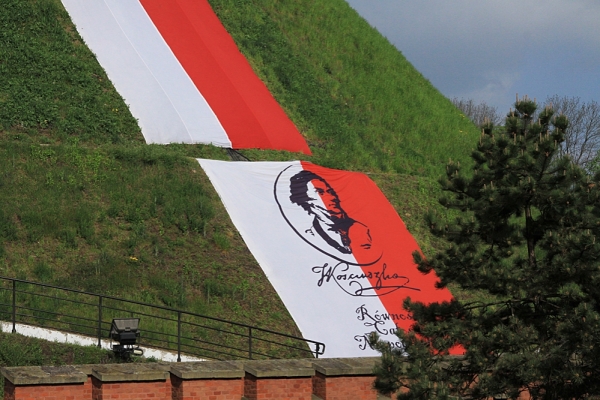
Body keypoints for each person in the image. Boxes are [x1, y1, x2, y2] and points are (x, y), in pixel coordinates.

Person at [289, 170, 372, 255]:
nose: (332, 197)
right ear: (306, 200)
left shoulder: (362, 229)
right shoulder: (311, 235)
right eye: (320, 192)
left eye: (330, 192)